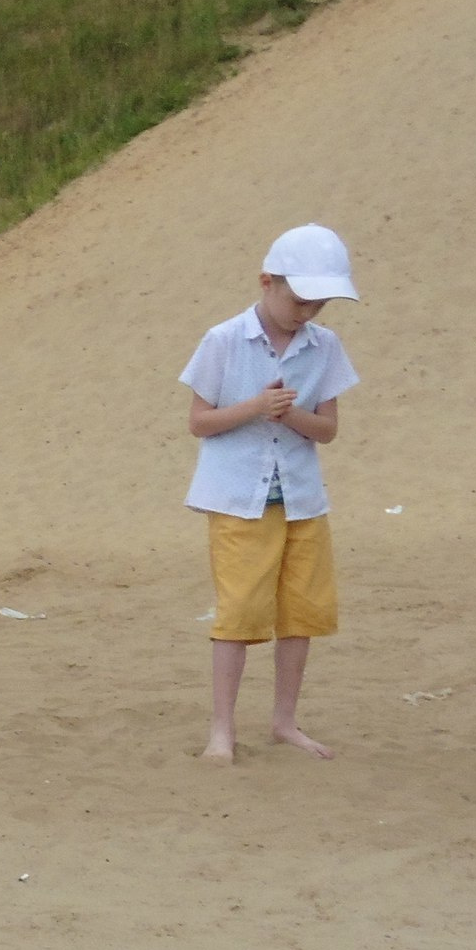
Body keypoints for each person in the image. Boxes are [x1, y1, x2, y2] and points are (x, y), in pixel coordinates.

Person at [182, 224, 362, 762]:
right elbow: (199, 422)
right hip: (239, 499)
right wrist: (256, 408)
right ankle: (222, 729)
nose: (308, 313)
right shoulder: (224, 339)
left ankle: (285, 721)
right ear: (267, 281)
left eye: (320, 303)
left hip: (303, 500)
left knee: (300, 613)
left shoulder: (324, 346)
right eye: (300, 300)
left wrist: (294, 413)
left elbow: (327, 430)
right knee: (238, 613)